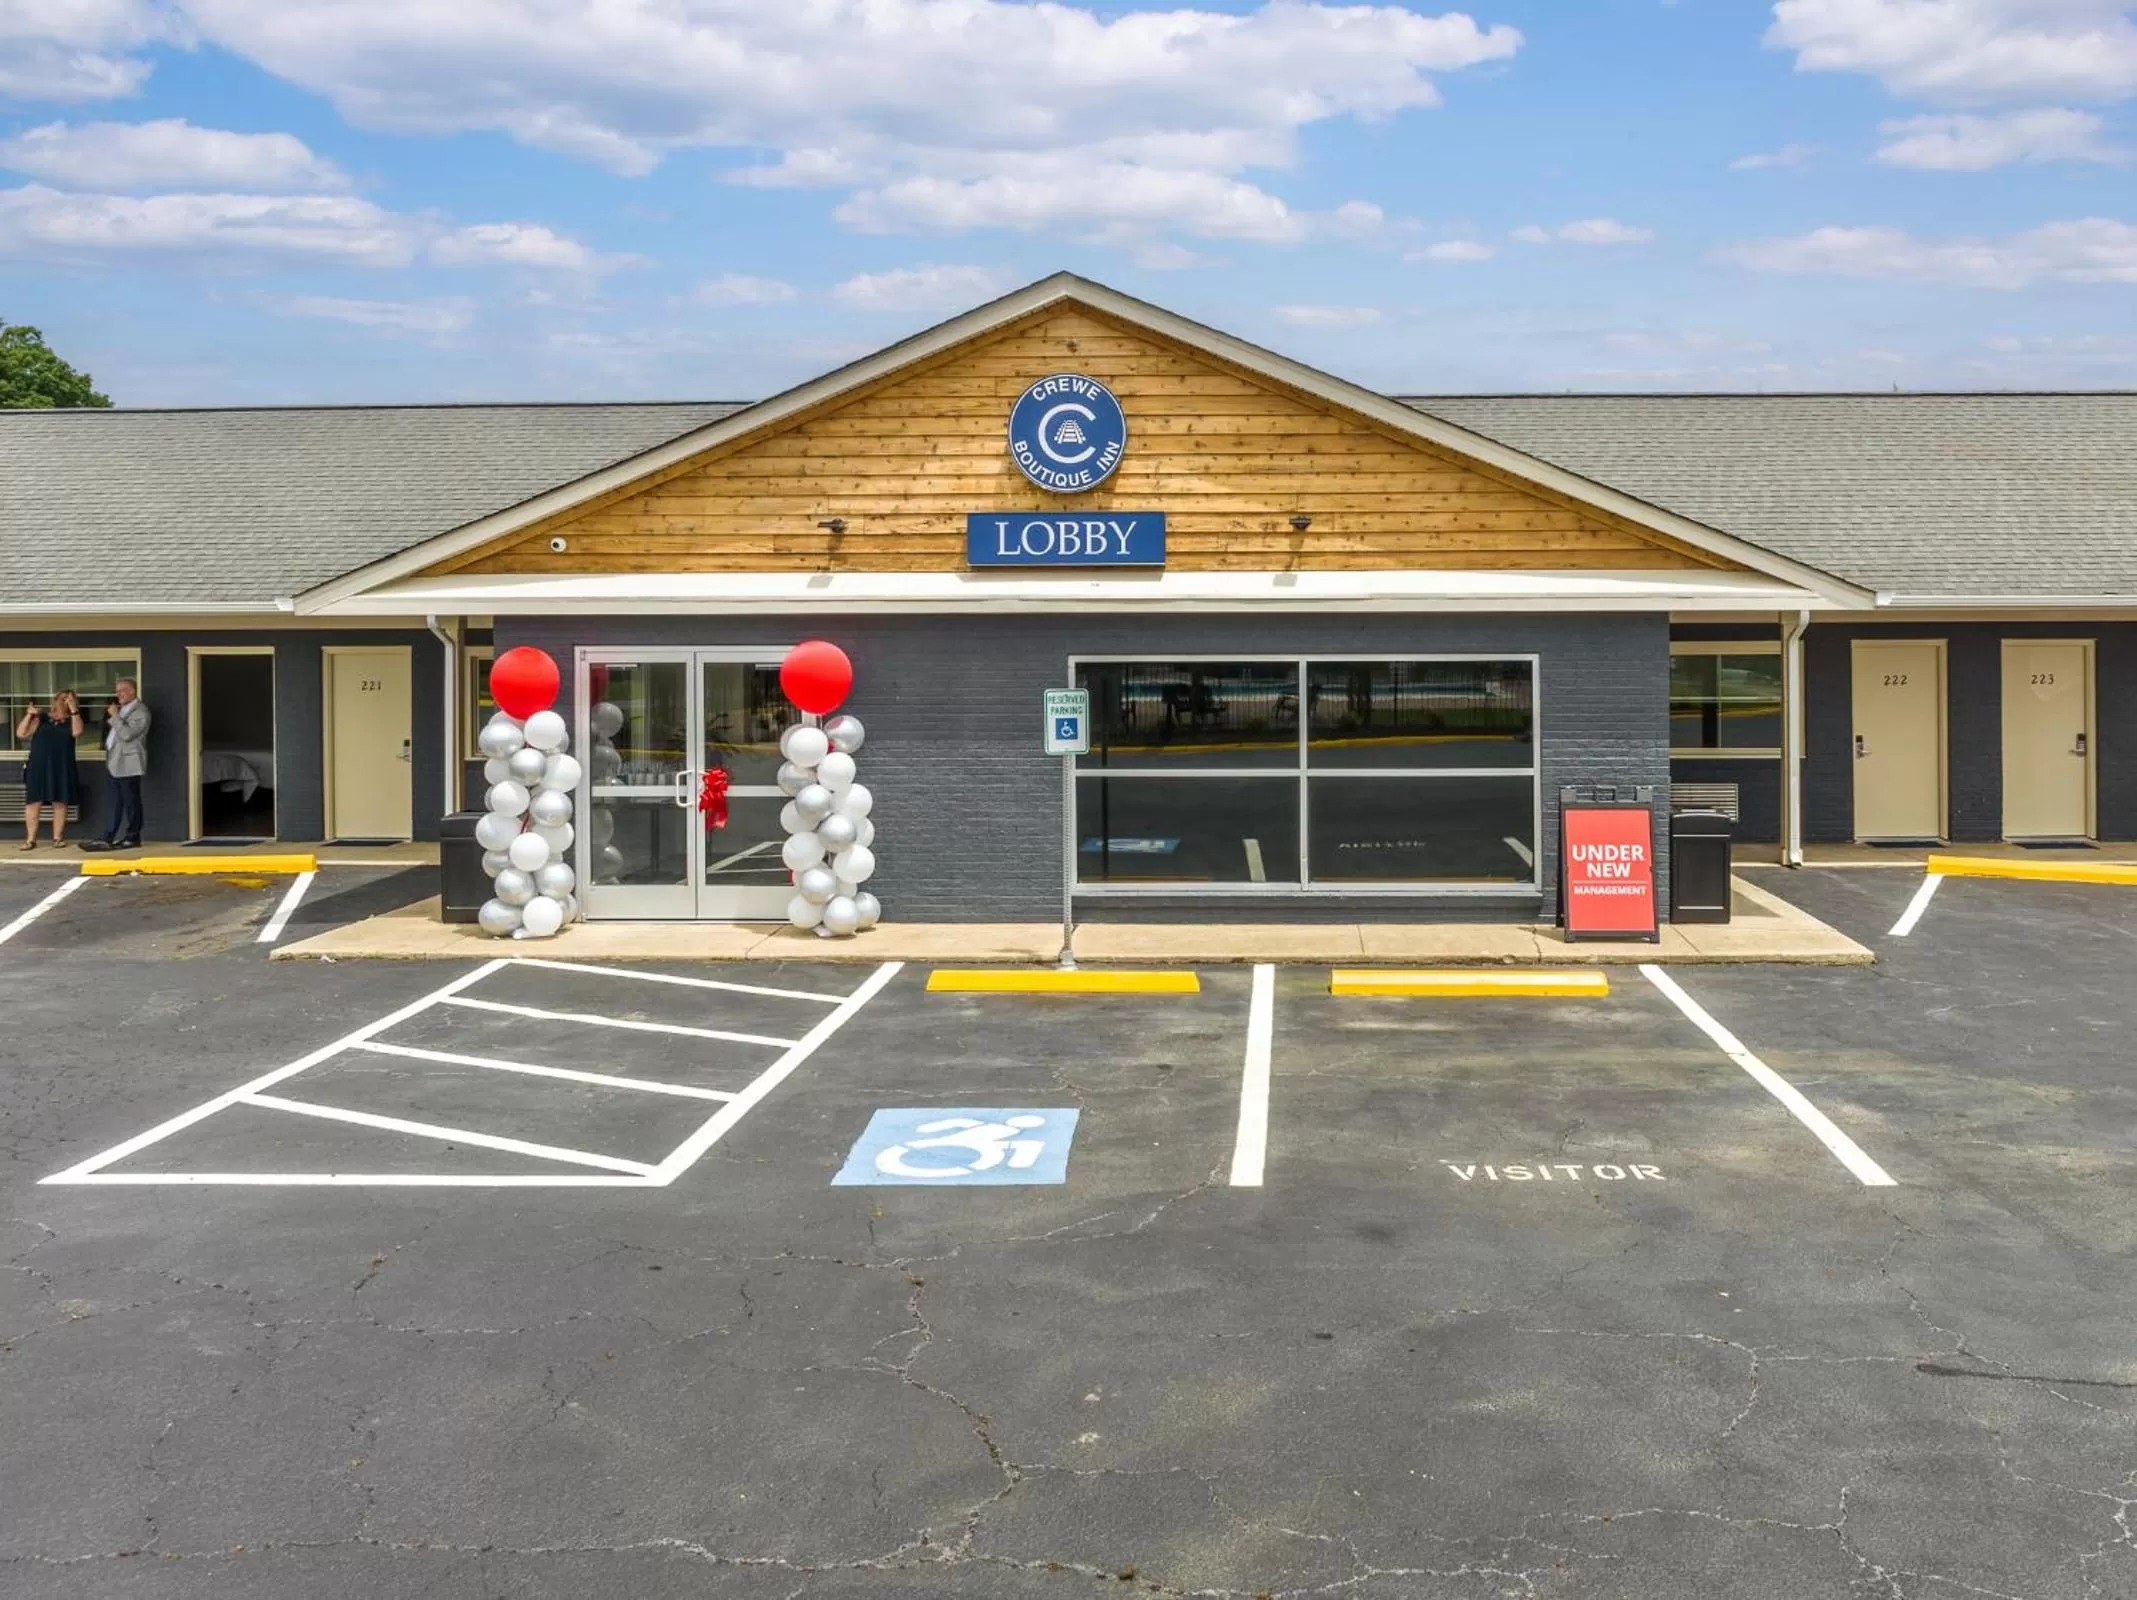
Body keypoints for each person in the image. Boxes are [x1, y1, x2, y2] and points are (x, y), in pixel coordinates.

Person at [80, 678, 150, 852]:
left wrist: (115, 716)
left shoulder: (141, 711)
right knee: (114, 802)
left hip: (129, 763)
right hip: (115, 763)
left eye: (122, 690)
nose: (118, 694)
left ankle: (133, 836)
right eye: (117, 691)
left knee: (131, 802)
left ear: (133, 691)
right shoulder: (123, 710)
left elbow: (127, 735)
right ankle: (108, 836)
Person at [16, 689, 83, 850]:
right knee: (33, 802)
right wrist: (29, 715)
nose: (64, 701)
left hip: (61, 764)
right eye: (62, 698)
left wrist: (74, 710)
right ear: (55, 700)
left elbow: (77, 732)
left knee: (59, 801)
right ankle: (31, 839)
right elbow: (21, 733)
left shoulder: (74, 719)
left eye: (69, 699)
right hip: (38, 764)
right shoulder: (42, 718)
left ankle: (57, 838)